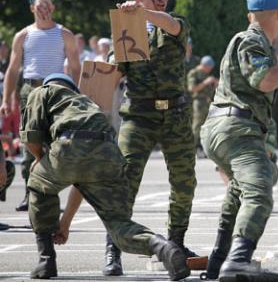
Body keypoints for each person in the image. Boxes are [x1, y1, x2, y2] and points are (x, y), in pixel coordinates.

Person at [19, 73, 189, 281]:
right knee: (118, 222)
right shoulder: (87, 103)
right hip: (108, 154)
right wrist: (65, 222)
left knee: (38, 185)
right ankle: (163, 247)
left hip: (69, 146)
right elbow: (82, 179)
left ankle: (46, 260)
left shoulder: (43, 91)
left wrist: (38, 159)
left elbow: (30, 135)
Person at [199, 0, 278, 281]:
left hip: (225, 129)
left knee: (239, 193)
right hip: (236, 130)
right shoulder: (251, 40)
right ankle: (239, 261)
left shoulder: (255, 42)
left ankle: (219, 260)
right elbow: (267, 80)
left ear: (250, 14)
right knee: (259, 195)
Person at [105, 0, 201, 276]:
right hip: (139, 116)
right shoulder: (126, 29)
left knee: (184, 183)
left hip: (176, 114)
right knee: (124, 183)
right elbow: (112, 72)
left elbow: (171, 25)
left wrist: (144, 12)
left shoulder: (177, 23)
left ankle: (175, 244)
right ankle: (113, 248)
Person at [0, 0, 81, 212]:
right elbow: (13, 69)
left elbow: (75, 67)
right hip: (30, 90)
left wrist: (79, 94)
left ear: (53, 8)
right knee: (29, 142)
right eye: (40, 5)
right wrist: (6, 99)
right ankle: (30, 193)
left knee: (55, 143)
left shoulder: (64, 34)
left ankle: (50, 192)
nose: (44, 9)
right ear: (32, 9)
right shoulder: (23, 35)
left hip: (56, 90)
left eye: (48, 5)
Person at [187, 55, 218, 152]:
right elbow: (192, 89)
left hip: (208, 103)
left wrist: (216, 83)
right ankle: (191, 148)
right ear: (205, 65)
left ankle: (202, 147)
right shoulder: (194, 73)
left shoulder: (206, 74)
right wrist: (206, 82)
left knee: (208, 126)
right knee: (197, 126)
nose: (210, 70)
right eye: (209, 68)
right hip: (199, 103)